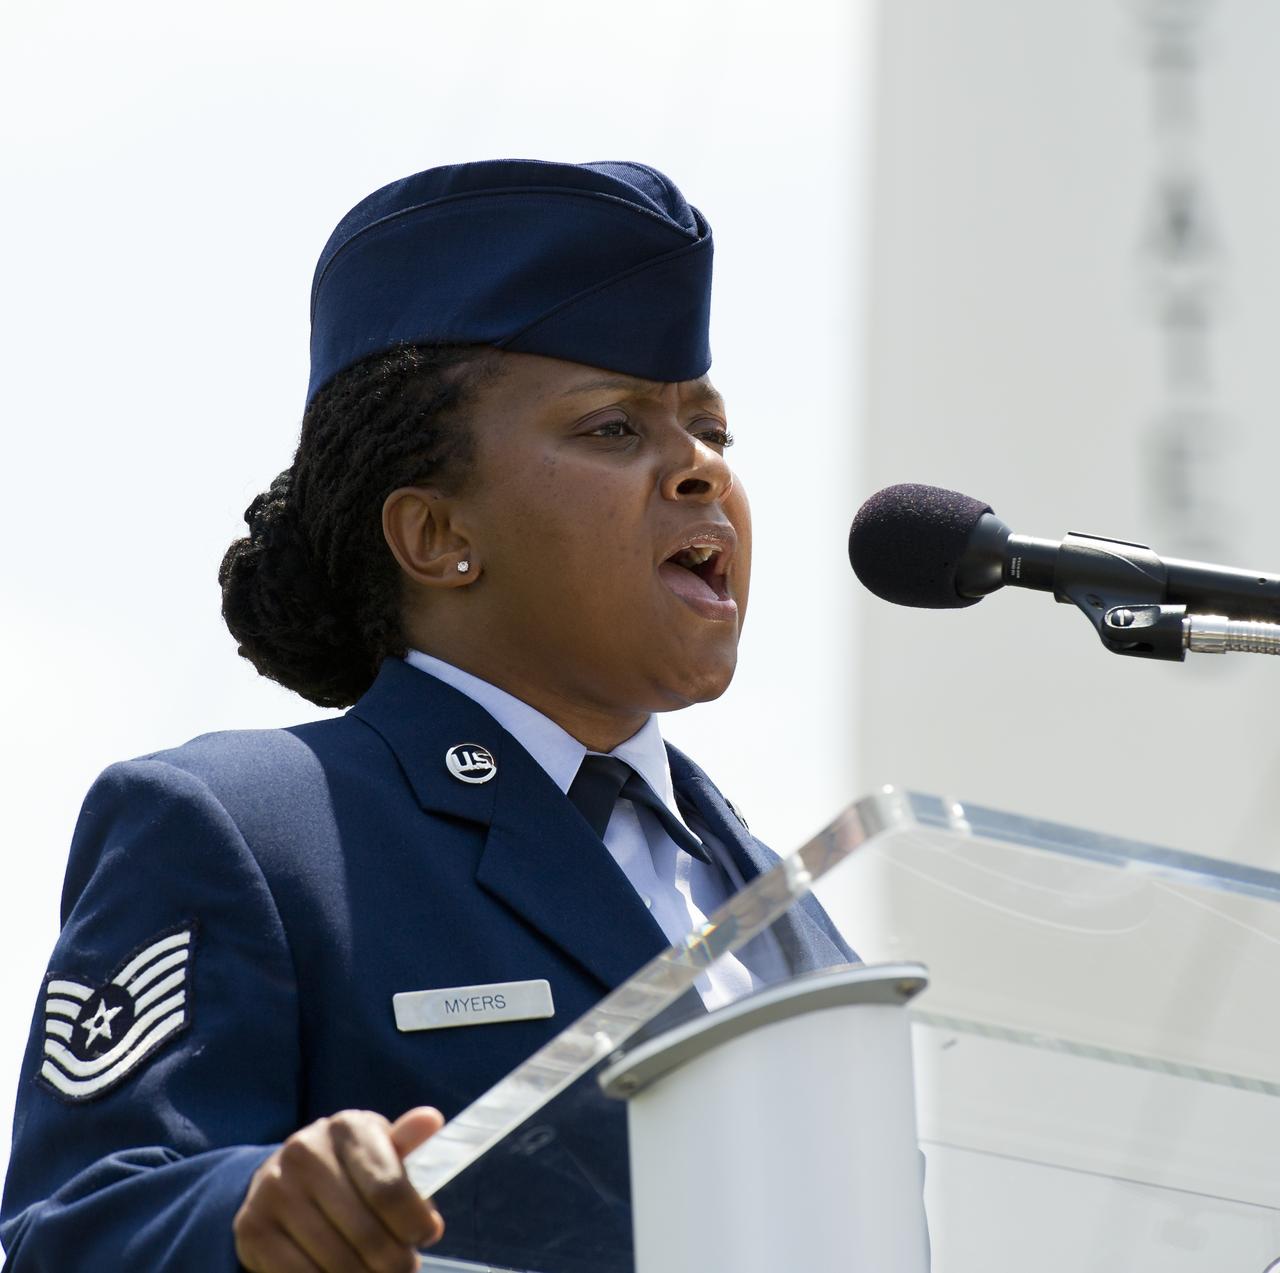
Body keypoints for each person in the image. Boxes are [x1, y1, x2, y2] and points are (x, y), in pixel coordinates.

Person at [0, 159, 854, 1273]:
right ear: (436, 535)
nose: (696, 471)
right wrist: (251, 1211)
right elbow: (75, 1231)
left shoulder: (767, 893)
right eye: (612, 428)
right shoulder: (249, 829)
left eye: (710, 431)